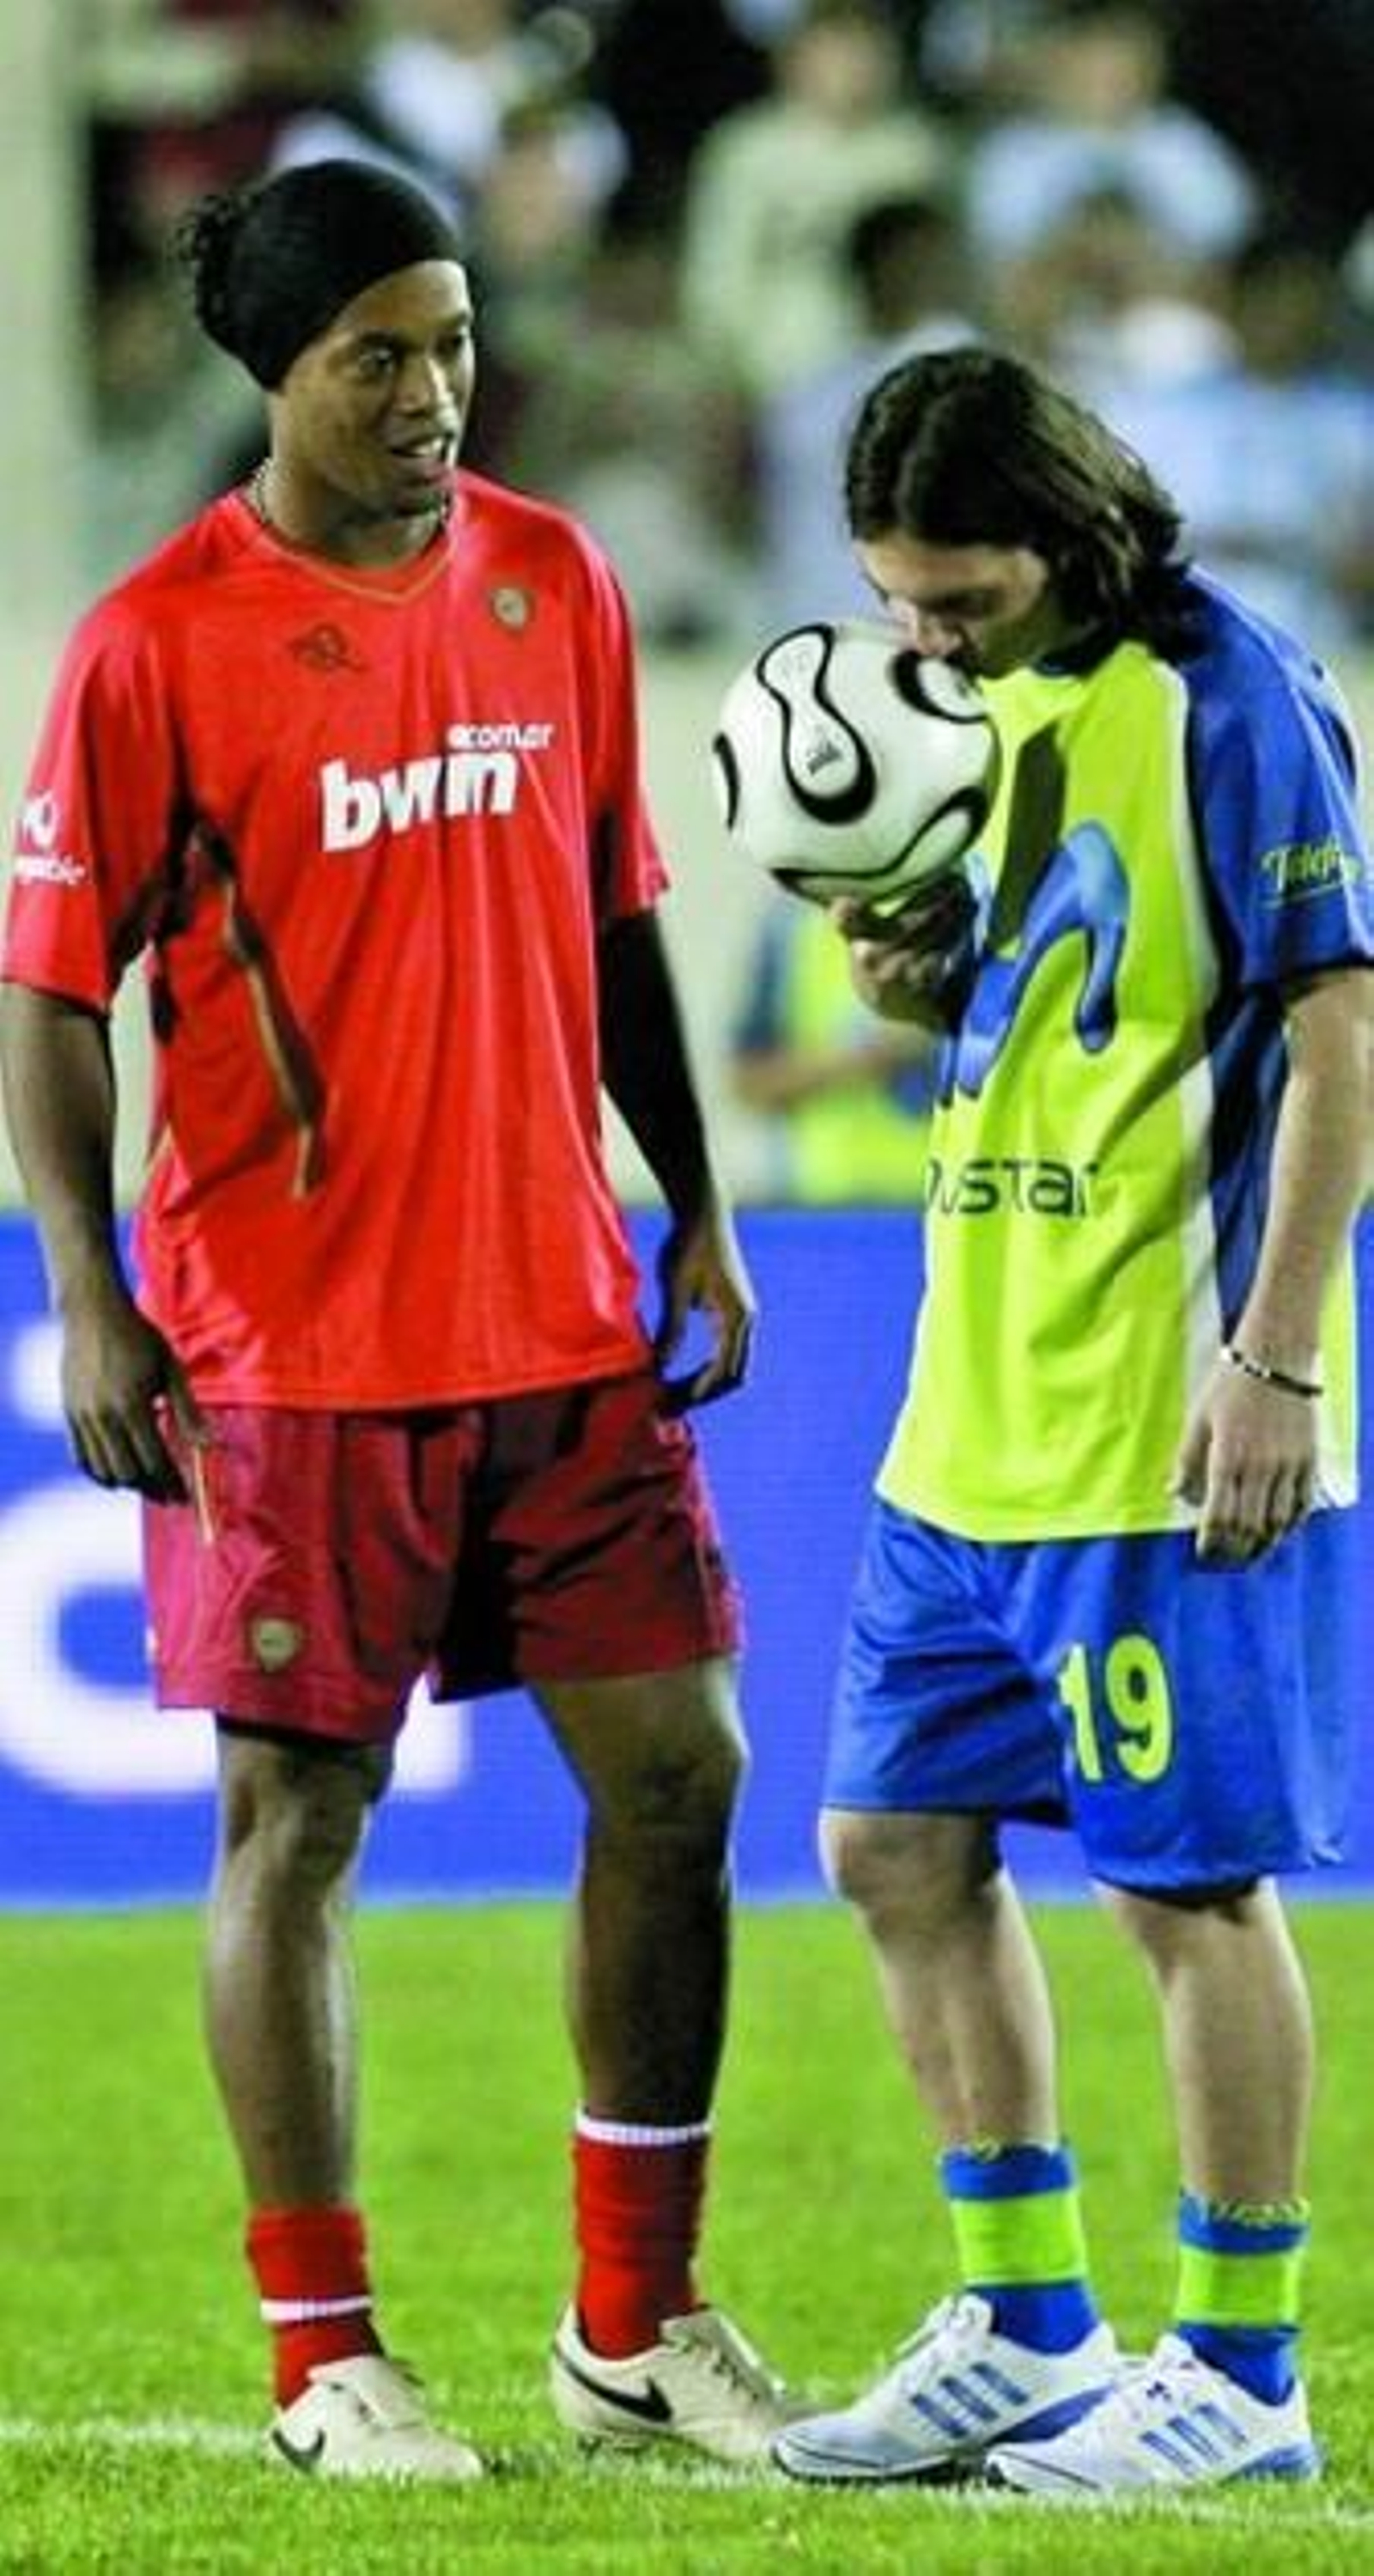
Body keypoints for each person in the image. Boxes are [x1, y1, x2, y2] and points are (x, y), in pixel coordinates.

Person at [0, 156, 792, 2483]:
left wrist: (704, 1212)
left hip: (560, 1316)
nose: (435, 391)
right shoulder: (155, 642)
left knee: (685, 1779)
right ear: (282, 368)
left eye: (451, 341)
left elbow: (621, 918)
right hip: (286, 1350)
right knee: (299, 1826)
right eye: (380, 353)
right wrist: (89, 1289)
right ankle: (324, 2358)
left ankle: (635, 2329)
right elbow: (52, 998)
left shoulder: (559, 578)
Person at [771, 344, 1374, 2494]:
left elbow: (1335, 1033)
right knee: (890, 1843)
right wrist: (914, 970)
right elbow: (1039, 994)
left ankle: (1238, 2366)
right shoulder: (975, 704)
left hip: (1159, 1396)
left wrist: (1278, 1357)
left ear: (1064, 527)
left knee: (1181, 1891)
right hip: (968, 1399)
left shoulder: (1230, 697)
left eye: (955, 599)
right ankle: (1027, 2326)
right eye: (895, 601)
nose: (920, 640)